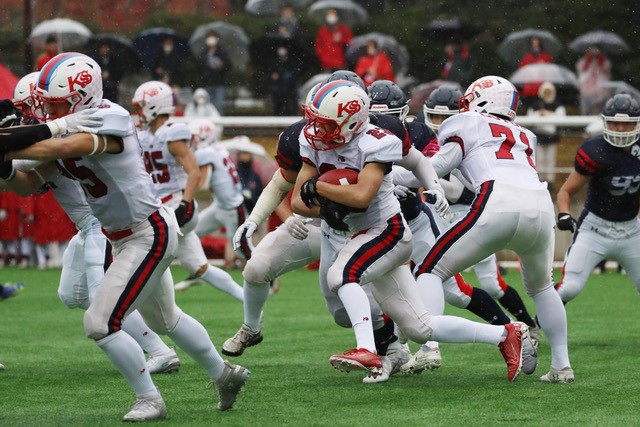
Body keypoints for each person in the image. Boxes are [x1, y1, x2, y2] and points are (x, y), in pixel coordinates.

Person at [0, 52, 249, 421]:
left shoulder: (108, 115)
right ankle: (224, 374)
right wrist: (6, 167)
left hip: (147, 233)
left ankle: (150, 398)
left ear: (81, 96)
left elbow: (66, 146)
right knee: (168, 319)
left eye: (58, 104)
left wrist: (24, 137)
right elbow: (27, 184)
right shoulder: (70, 124)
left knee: (100, 323)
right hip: (126, 235)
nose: (52, 111)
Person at [290, 80, 537, 382]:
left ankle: (367, 350)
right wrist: (325, 205)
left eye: (324, 122)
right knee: (421, 327)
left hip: (387, 230)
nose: (315, 128)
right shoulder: (312, 140)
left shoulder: (374, 140)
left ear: (350, 121)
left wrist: (320, 188)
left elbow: (362, 196)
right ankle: (506, 333)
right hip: (365, 233)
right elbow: (297, 202)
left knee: (341, 276)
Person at [414, 75, 573, 384]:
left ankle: (428, 344)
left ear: (482, 100)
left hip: (497, 200)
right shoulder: (525, 134)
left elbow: (433, 168)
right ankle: (561, 366)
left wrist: (391, 176)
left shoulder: (466, 122)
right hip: (540, 205)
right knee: (543, 287)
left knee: (429, 271)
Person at [132, 80, 244, 302]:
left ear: (154, 105)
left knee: (145, 252)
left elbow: (193, 172)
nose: (138, 111)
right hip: (162, 205)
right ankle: (247, 300)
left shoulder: (171, 133)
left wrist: (185, 203)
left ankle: (140, 304)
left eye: (141, 105)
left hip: (175, 205)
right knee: (201, 268)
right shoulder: (144, 135)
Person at [555, 94, 640, 308]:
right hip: (595, 230)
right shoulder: (596, 150)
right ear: (605, 123)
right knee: (570, 287)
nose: (620, 129)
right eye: (615, 123)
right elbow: (565, 191)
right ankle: (533, 327)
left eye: (626, 124)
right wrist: (564, 214)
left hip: (631, 230)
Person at [526, 81, 566, 189]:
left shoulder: (557, 104)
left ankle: (550, 181)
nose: (547, 93)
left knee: (550, 158)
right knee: (539, 158)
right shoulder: (536, 105)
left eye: (549, 91)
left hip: (552, 136)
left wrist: (548, 114)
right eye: (545, 91)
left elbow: (561, 118)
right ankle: (540, 178)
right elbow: (529, 118)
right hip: (539, 135)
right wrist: (539, 114)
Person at [199, 31, 231, 115]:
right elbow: (200, 67)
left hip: (218, 83)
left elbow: (229, 66)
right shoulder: (204, 53)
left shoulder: (222, 52)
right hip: (207, 83)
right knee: (206, 106)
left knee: (218, 105)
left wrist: (222, 65)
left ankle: (220, 125)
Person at [517, 36, 554, 104]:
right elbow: (522, 71)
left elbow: (550, 71)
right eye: (533, 40)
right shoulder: (527, 57)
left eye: (536, 40)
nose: (535, 42)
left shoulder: (545, 56)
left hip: (542, 86)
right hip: (530, 87)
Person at [576, 46, 611, 115]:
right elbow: (582, 71)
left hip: (600, 89)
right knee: (587, 109)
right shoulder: (584, 62)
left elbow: (606, 70)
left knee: (600, 108)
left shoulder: (603, 62)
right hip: (588, 89)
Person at [270, 46, 300, 116]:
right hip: (279, 92)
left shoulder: (292, 64)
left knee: (290, 109)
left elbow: (295, 75)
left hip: (290, 91)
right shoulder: (275, 64)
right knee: (279, 109)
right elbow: (273, 76)